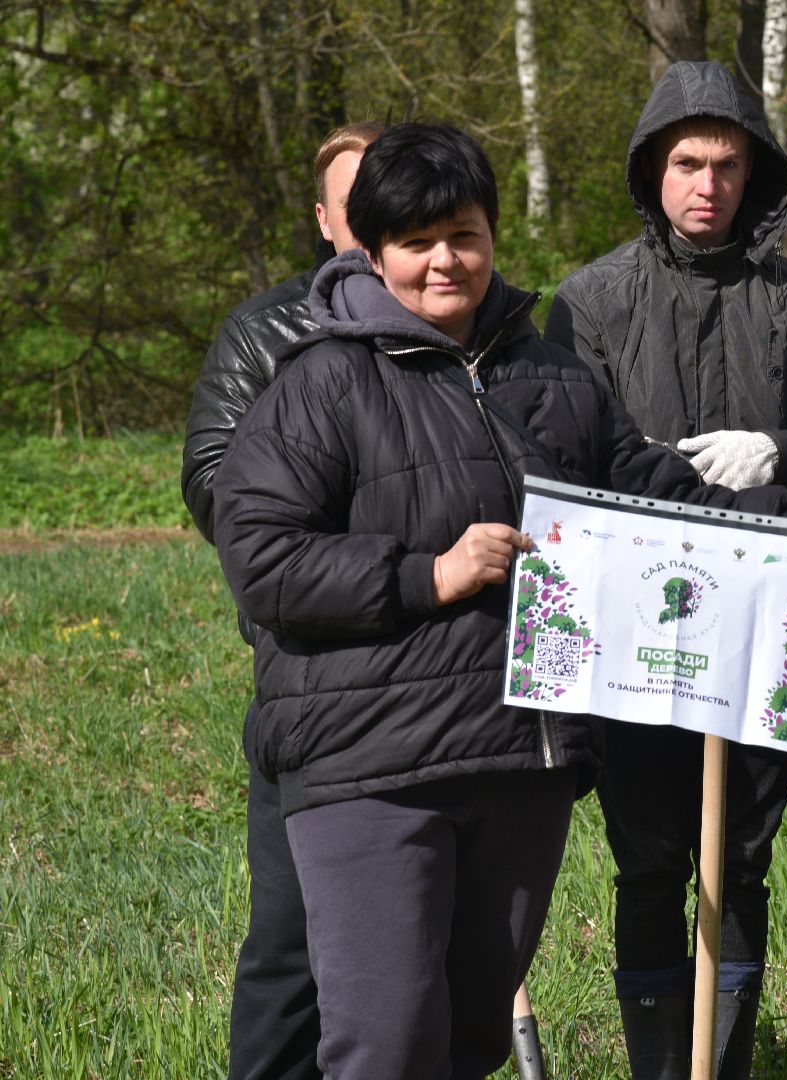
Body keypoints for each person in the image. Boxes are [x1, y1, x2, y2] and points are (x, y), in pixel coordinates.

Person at [210, 122, 787, 1080]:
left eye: (464, 235)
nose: (445, 262)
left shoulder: (551, 378)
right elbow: (261, 560)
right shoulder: (321, 382)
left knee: (471, 1037)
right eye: (418, 242)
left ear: (492, 236)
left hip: (521, 756)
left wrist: (785, 527)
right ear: (373, 250)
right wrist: (426, 575)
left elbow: (653, 491)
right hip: (370, 768)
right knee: (384, 1043)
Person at [543, 59, 787, 1078]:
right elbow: (565, 446)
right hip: (636, 610)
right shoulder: (590, 301)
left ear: (755, 175)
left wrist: (783, 454)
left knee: (742, 861)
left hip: (767, 609)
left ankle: (718, 1065)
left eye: (727, 165)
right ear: (653, 170)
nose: (706, 186)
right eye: (686, 163)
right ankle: (653, 1064)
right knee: (647, 861)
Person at [180, 119, 384, 1080]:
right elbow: (214, 479)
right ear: (322, 218)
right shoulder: (267, 330)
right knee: (291, 941)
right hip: (311, 664)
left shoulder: (460, 323)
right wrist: (354, 536)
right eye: (354, 202)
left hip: (445, 680)